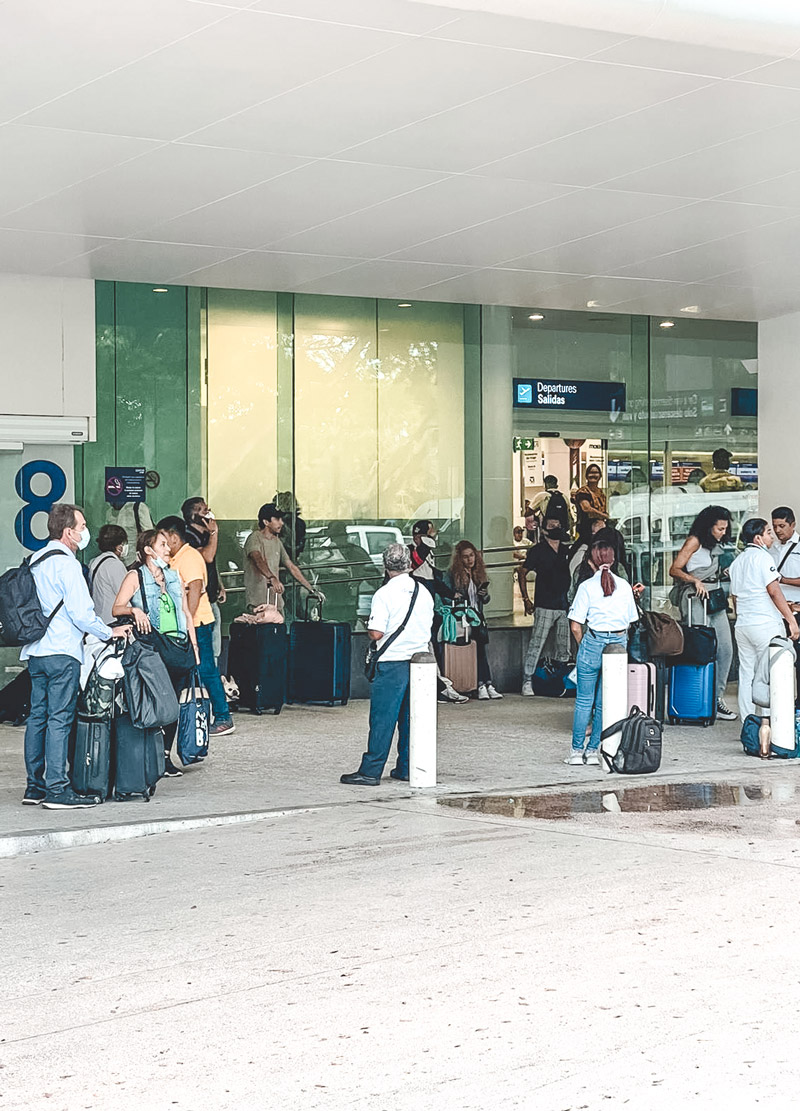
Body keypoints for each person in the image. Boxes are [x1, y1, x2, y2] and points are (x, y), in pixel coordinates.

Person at [21, 503, 129, 809]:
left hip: (36, 651)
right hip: (61, 650)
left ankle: (35, 786)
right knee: (59, 719)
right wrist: (109, 632)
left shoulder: (36, 559)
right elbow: (82, 613)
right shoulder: (67, 564)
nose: (85, 532)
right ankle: (57, 789)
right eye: (82, 527)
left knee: (38, 717)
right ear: (68, 532)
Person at [340, 543, 434, 785]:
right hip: (420, 663)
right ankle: (407, 767)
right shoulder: (423, 592)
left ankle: (370, 771)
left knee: (383, 719)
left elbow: (376, 633)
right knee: (410, 719)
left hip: (392, 663)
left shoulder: (384, 594)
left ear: (385, 566)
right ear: (410, 564)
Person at [113, 528, 200, 775]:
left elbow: (186, 613)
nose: (167, 548)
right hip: (153, 647)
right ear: (148, 550)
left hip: (178, 646)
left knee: (173, 704)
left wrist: (194, 647)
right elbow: (116, 608)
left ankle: (164, 756)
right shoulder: (135, 576)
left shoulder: (174, 576)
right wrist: (135, 611)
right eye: (162, 544)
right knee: (154, 702)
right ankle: (149, 754)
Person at [157, 515, 235, 737]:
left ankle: (223, 716)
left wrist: (186, 623)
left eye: (163, 539)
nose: (161, 544)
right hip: (189, 624)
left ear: (173, 537)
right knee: (193, 670)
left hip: (197, 623)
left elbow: (195, 588)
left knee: (206, 669)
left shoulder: (189, 557)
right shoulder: (175, 558)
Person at [566, 530, 639, 765]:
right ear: (613, 559)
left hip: (593, 641)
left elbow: (576, 625)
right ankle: (593, 751)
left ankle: (577, 752)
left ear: (592, 560)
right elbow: (630, 621)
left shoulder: (587, 587)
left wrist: (584, 645)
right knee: (602, 703)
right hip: (618, 644)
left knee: (584, 701)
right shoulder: (625, 586)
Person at [669, 506, 737, 721]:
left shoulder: (715, 544)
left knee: (725, 648)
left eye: (725, 529)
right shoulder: (694, 542)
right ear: (709, 527)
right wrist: (694, 579)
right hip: (695, 596)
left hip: (713, 594)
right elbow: (675, 569)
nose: (722, 533)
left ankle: (717, 696)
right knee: (701, 646)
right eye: (719, 528)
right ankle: (699, 696)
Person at [729, 518, 799, 725]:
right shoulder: (763, 558)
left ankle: (748, 723)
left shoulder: (737, 562)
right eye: (768, 532)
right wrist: (791, 621)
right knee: (770, 673)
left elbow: (735, 598)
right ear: (758, 538)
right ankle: (771, 723)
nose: (772, 536)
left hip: (743, 624)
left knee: (747, 673)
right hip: (764, 624)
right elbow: (774, 592)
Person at [518, 514, 571, 696]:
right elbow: (522, 572)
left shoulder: (566, 550)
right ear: (545, 528)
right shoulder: (538, 551)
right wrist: (526, 599)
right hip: (545, 603)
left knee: (564, 646)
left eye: (558, 523)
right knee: (537, 642)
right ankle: (527, 679)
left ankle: (560, 680)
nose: (556, 527)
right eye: (552, 524)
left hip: (564, 604)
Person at [446, 540, 502, 700]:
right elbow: (450, 596)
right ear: (459, 559)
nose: (470, 560)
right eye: (465, 557)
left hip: (477, 617)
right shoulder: (453, 575)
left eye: (472, 556)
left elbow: (485, 600)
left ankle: (487, 684)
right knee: (475, 652)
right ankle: (480, 684)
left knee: (481, 651)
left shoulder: (478, 574)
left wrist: (483, 594)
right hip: (463, 619)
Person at [244, 503, 320, 613]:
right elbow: (257, 559)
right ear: (266, 522)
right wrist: (272, 577)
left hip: (275, 601)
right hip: (257, 601)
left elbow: (291, 566)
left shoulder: (276, 541)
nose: (281, 523)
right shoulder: (255, 538)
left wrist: (311, 589)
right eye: (277, 519)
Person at [182, 497, 226, 661]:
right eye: (204, 510)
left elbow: (211, 564)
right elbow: (206, 556)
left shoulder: (206, 536)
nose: (209, 513)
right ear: (194, 516)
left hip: (211, 595)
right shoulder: (189, 536)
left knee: (215, 646)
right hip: (198, 599)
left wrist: (219, 585)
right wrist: (214, 533)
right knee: (204, 646)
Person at [772, 506, 800, 705]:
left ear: (792, 525)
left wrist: (782, 580)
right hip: (777, 611)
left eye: (782, 526)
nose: (778, 530)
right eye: (774, 526)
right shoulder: (771, 548)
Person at [88, 524, 129, 625]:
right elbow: (125, 596)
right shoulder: (115, 565)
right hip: (113, 621)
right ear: (119, 546)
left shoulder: (94, 561)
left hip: (99, 618)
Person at [571, 463, 608, 540]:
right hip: (586, 530)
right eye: (591, 473)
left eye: (596, 473)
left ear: (600, 476)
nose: (593, 475)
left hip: (601, 529)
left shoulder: (601, 492)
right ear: (586, 476)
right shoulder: (583, 491)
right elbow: (586, 508)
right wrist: (604, 516)